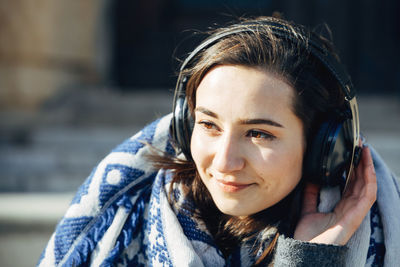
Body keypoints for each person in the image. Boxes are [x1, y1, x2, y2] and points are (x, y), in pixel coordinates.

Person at [38, 16, 400, 266]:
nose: (224, 162)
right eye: (209, 125)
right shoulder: (122, 227)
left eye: (259, 133)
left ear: (325, 148)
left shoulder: (375, 238)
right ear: (185, 124)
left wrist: (310, 257)